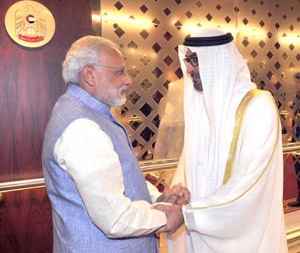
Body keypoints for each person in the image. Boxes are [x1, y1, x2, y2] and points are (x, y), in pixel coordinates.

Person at [42, 35, 190, 253]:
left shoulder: (88, 113)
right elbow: (115, 218)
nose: (128, 79)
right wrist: (167, 217)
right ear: (90, 75)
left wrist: (159, 197)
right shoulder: (82, 128)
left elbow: (117, 180)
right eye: (119, 71)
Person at [167, 27, 288, 253]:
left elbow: (251, 181)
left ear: (217, 61)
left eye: (196, 60)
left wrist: (191, 215)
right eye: (188, 60)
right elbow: (189, 163)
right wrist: (179, 192)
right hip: (199, 232)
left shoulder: (258, 106)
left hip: (243, 237)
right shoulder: (200, 107)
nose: (190, 69)